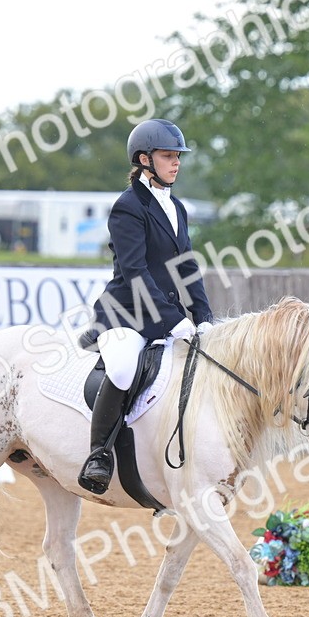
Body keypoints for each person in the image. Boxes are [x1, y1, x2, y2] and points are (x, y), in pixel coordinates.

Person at [77, 118, 215, 494]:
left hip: (164, 318)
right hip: (125, 315)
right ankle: (99, 455)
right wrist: (174, 320)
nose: (176, 163)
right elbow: (136, 272)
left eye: (177, 156)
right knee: (123, 370)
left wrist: (202, 316)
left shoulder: (177, 208)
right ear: (144, 159)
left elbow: (186, 266)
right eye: (169, 156)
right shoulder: (127, 207)